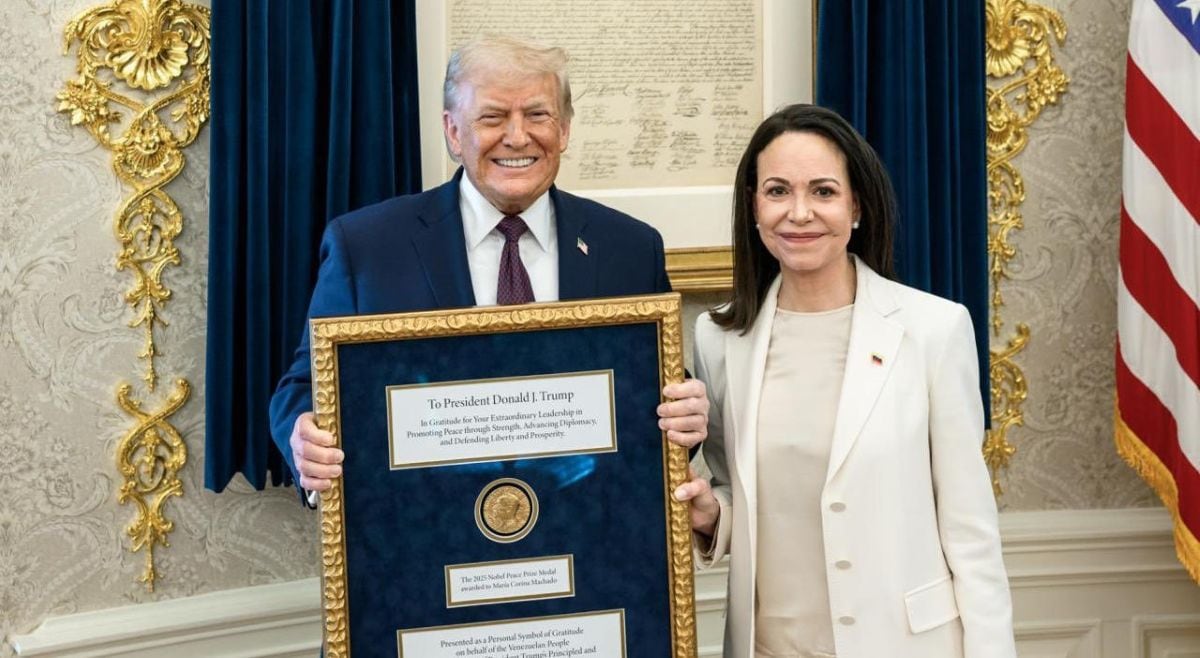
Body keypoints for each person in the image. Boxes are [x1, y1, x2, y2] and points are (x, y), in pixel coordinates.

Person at [269, 35, 709, 497]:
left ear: (564, 129)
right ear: (454, 132)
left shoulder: (630, 248)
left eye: (537, 115)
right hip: (424, 533)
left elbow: (654, 390)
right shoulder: (367, 247)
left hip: (587, 531)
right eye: (493, 117)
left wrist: (686, 413)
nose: (518, 137)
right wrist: (304, 438)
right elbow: (304, 386)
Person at [674, 104, 1015, 658]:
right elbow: (742, 490)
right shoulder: (718, 339)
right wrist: (713, 517)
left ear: (857, 206)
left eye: (824, 192)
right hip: (768, 645)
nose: (799, 213)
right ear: (753, 207)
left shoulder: (934, 329)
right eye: (778, 191)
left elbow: (970, 530)